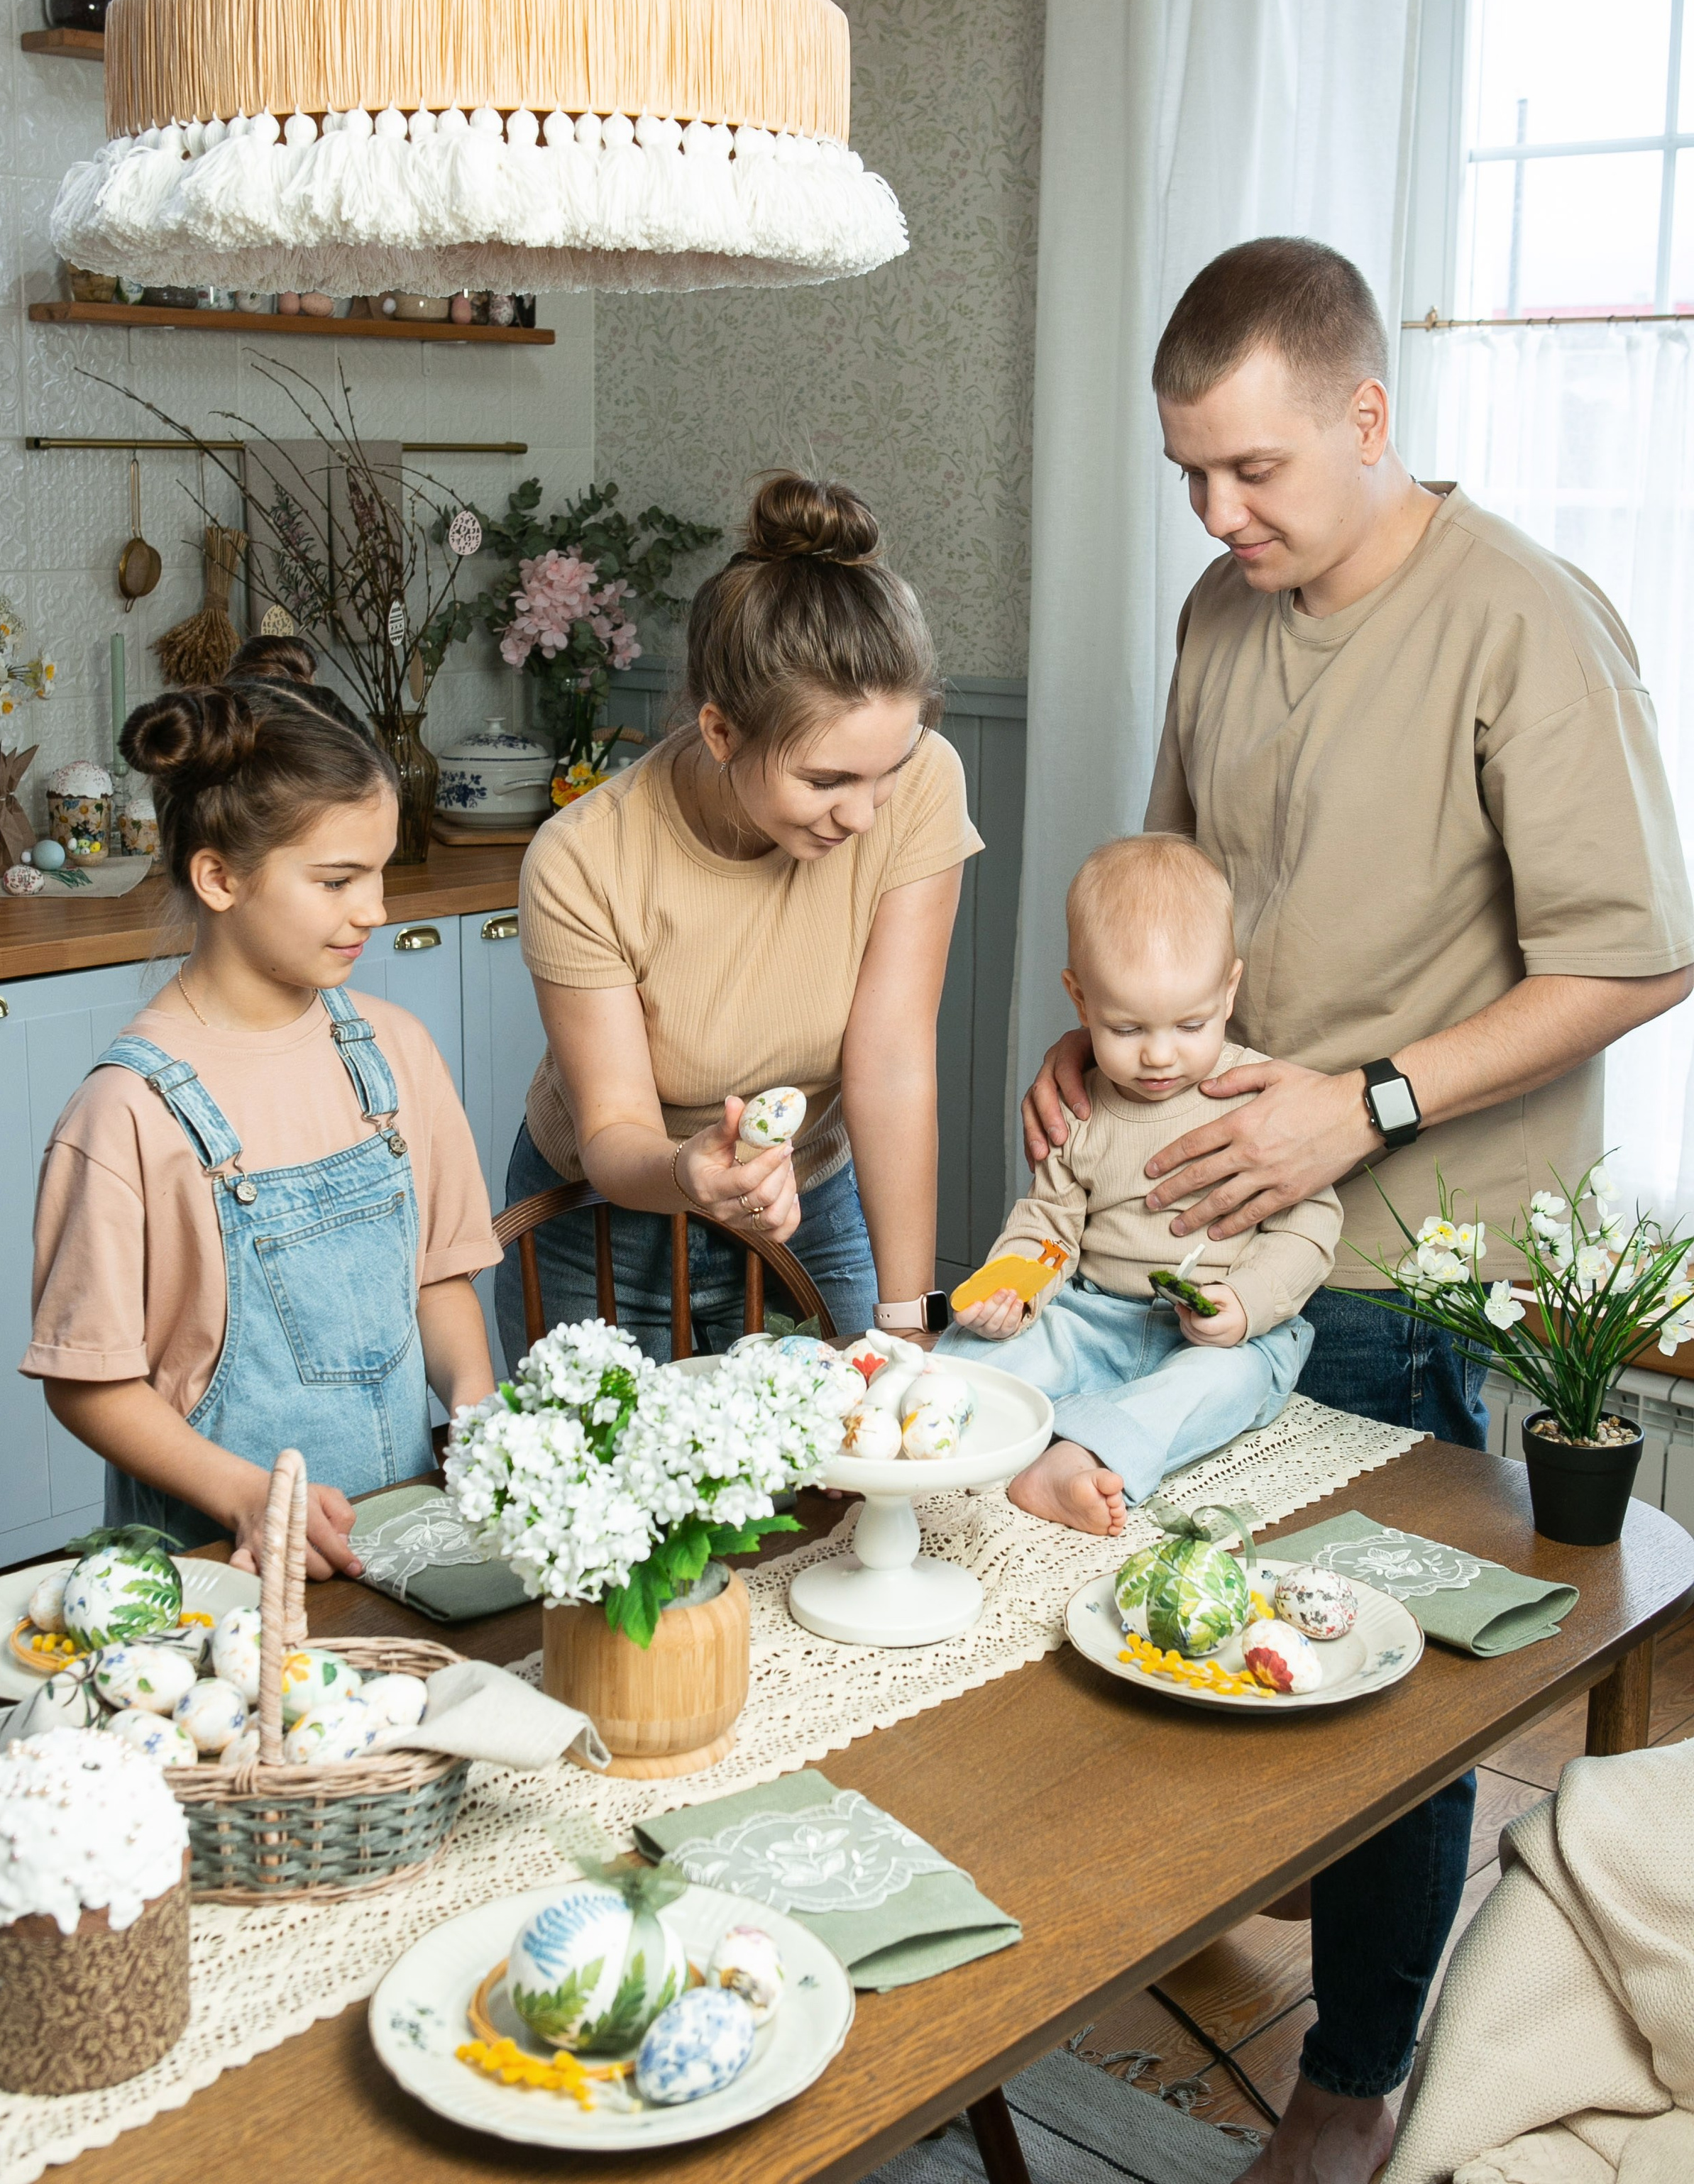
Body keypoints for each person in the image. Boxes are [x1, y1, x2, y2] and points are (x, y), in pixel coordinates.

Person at [1022, 237, 1694, 2184]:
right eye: (1192, 481)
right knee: (1152, 1581)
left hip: (1413, 1246)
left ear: (1367, 418)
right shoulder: (1225, 613)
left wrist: (1367, 1104)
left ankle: (1356, 2077)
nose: (1220, 517)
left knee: (1380, 1662)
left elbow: (1644, 958)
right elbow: (1165, 886)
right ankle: (1229, 1900)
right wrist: (1095, 1050)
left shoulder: (1528, 624)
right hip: (1187, 1216)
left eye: (1255, 474)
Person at [23, 639, 501, 1579]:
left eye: (378, 873)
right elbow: (90, 1385)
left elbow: (437, 1280)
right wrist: (247, 1495)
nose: (373, 910)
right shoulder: (127, 1114)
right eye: (335, 881)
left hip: (395, 1547)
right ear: (220, 879)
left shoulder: (395, 1052)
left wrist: (478, 1412)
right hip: (215, 1572)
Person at [495, 470, 981, 1363]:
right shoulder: (582, 858)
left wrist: (906, 1321)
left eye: (887, 767)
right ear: (721, 732)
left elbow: (892, 1061)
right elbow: (612, 1132)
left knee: (841, 1473)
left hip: (810, 1199)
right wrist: (689, 1174)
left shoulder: (923, 783)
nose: (864, 814)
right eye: (826, 780)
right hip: (604, 1218)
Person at [939, 834, 1336, 1533]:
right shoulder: (1082, 1104)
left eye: (1191, 1023)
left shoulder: (1264, 1100)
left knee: (1218, 1387)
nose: (1157, 1053)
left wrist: (1243, 1304)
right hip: (1094, 1313)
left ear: (1229, 989)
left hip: (1226, 1339)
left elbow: (1308, 1225)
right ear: (1078, 997)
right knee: (978, 1357)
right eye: (1124, 1027)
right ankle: (927, 1427)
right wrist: (1014, 1285)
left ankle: (1078, 1458)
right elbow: (1049, 1224)